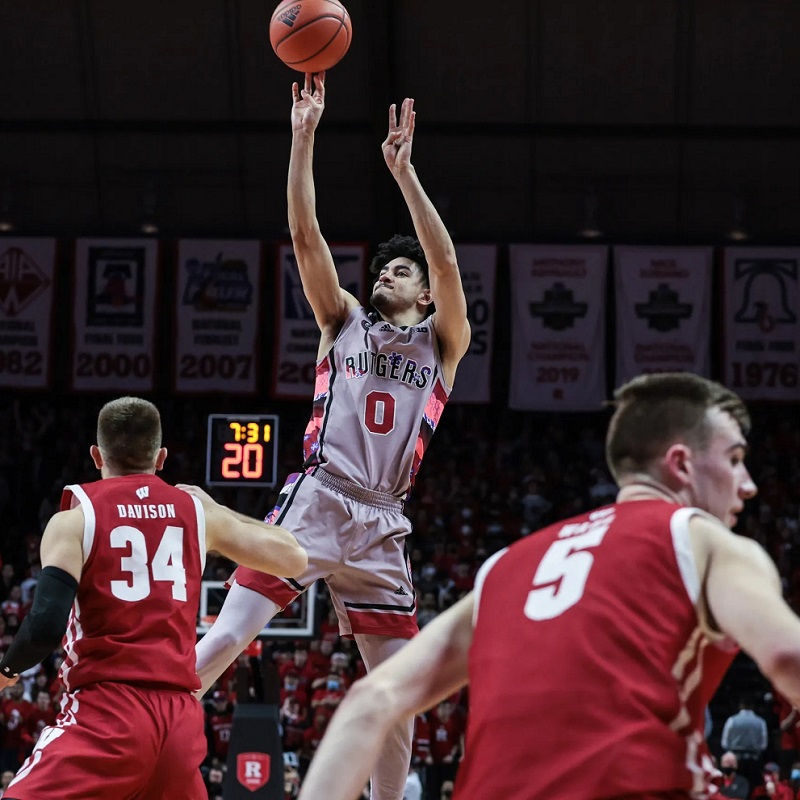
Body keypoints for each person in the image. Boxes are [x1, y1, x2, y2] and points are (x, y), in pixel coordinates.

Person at [295, 372, 800, 799]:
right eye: (734, 459)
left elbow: (370, 702)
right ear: (681, 463)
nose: (748, 483)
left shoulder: (504, 567)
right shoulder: (703, 540)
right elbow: (785, 656)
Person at [195, 71, 470, 800]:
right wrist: (303, 136)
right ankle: (134, 729)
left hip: (384, 521)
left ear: (424, 296)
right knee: (227, 637)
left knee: (395, 691)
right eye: (383, 267)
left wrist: (405, 174)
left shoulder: (443, 343)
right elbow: (304, 234)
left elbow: (446, 262)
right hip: (320, 498)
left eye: (400, 269)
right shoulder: (341, 320)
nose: (388, 273)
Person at [0, 396, 307, 799]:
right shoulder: (199, 514)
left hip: (107, 714)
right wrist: (217, 509)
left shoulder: (75, 519)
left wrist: (6, 672)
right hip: (178, 721)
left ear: (96, 455)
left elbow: (44, 626)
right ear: (161, 457)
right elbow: (294, 558)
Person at [720, 697, 769, 788]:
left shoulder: (732, 720)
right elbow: (763, 744)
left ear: (740, 706)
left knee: (736, 786)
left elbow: (724, 743)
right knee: (752, 786)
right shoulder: (760, 722)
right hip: (754, 759)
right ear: (752, 707)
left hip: (735, 759)